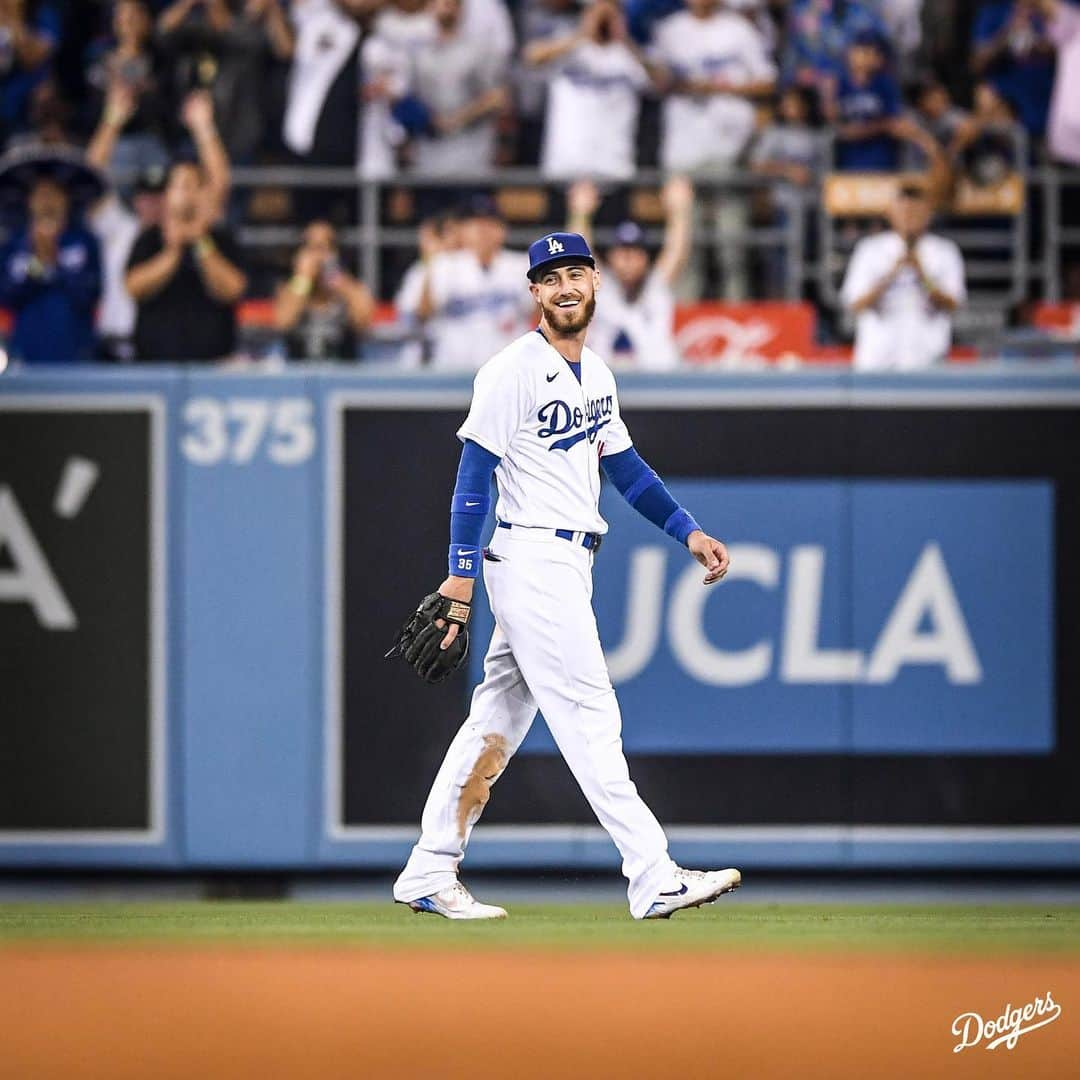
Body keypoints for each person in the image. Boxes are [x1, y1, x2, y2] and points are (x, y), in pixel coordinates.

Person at [391, 229, 741, 921]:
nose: (565, 286)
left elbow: (627, 472)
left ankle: (429, 870)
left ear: (595, 283)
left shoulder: (597, 374)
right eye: (550, 278)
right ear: (534, 293)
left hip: (566, 560)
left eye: (575, 272)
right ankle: (653, 875)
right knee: (589, 715)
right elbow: (473, 476)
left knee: (495, 719)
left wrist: (688, 530)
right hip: (532, 559)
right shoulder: (510, 369)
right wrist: (458, 577)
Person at [87, 84, 231, 362]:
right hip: (113, 343)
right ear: (135, 198)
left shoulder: (187, 229)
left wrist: (204, 130)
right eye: (145, 195)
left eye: (158, 194)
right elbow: (91, 180)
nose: (151, 202)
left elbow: (219, 187)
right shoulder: (122, 227)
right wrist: (111, 120)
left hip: (158, 350)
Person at [650, 0, 777, 300]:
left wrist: (717, 88)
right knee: (684, 246)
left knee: (731, 244)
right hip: (680, 152)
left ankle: (736, 312)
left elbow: (768, 82)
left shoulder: (738, 29)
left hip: (728, 151)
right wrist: (675, 81)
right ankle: (684, 314)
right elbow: (652, 81)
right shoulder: (670, 30)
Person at [125, 158, 248, 362]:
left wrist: (201, 242)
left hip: (213, 368)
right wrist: (172, 251)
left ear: (204, 193)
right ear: (167, 194)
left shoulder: (222, 240)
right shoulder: (149, 239)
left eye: (193, 186)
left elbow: (233, 290)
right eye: (180, 186)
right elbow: (133, 287)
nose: (187, 194)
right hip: (154, 366)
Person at [566, 175, 693, 369]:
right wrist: (580, 213)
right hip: (607, 390)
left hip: (660, 388)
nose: (628, 260)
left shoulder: (655, 287)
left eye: (635, 253)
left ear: (645, 259)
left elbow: (677, 249)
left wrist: (680, 211)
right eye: (622, 253)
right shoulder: (601, 288)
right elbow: (577, 252)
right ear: (611, 258)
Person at [840, 182, 966, 370]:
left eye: (915, 212)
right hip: (877, 361)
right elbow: (855, 303)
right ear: (891, 213)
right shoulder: (870, 249)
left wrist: (923, 277)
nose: (909, 217)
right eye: (903, 211)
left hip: (927, 361)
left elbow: (954, 303)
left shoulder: (944, 251)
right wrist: (890, 276)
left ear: (928, 214)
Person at [524, 0, 651, 181]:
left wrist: (624, 39)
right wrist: (582, 33)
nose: (603, 20)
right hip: (564, 168)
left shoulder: (629, 55)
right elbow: (531, 56)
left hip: (614, 169)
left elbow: (663, 81)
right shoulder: (568, 46)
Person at [415, 195, 531, 369]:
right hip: (453, 373)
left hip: (510, 375)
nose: (482, 230)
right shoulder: (443, 264)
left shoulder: (523, 265)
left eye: (489, 223)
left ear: (502, 230)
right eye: (473, 224)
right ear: (460, 231)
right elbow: (423, 313)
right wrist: (430, 257)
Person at [0, 174, 101, 365]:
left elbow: (89, 294)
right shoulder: (14, 244)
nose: (47, 202)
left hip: (75, 351)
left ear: (66, 199)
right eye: (41, 195)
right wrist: (38, 262)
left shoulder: (84, 241)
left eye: (53, 194)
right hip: (26, 352)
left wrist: (55, 262)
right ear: (29, 201)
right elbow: (7, 296)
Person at [407, 0, 508, 176]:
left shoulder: (478, 49)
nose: (445, 8)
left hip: (471, 155)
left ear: (461, 9)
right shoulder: (417, 52)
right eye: (439, 2)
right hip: (428, 157)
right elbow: (406, 96)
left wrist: (457, 119)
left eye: (451, 3)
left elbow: (498, 98)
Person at [273, 219, 374, 361]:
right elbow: (283, 322)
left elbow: (364, 323)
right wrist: (304, 278)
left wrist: (340, 283)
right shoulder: (291, 288)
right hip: (298, 375)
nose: (318, 257)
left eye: (323, 248)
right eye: (311, 248)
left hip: (341, 375)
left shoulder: (349, 287)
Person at [971, 0, 1056, 137]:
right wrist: (1008, 32)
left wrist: (1043, 46)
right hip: (1005, 108)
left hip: (1047, 109)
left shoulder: (1053, 11)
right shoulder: (994, 11)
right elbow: (977, 62)